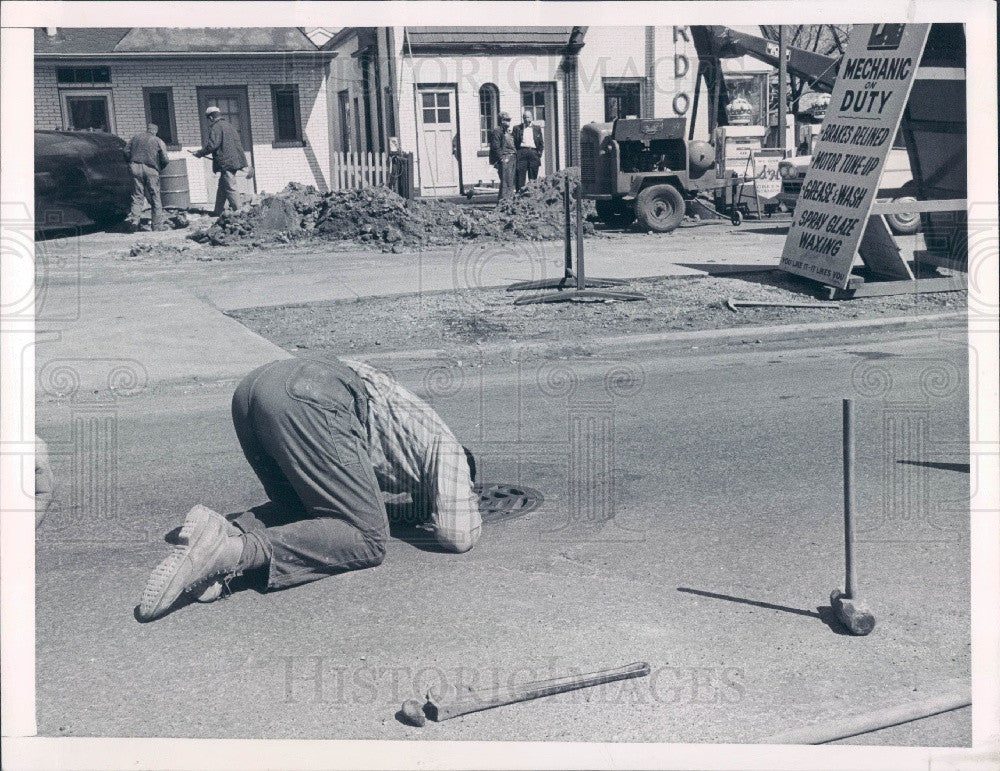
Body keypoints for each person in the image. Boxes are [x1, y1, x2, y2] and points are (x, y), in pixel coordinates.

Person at [138, 356, 482, 622]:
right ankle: (230, 553)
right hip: (312, 393)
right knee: (367, 538)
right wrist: (470, 500)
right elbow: (457, 536)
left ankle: (221, 530)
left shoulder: (412, 444)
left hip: (258, 389)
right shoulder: (449, 449)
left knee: (310, 511)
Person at [190, 105, 248, 218]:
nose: (208, 121)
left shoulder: (216, 127)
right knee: (222, 187)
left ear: (211, 117)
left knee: (230, 186)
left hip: (226, 163)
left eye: (208, 119)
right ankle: (217, 211)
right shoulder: (229, 126)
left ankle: (239, 212)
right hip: (234, 161)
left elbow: (212, 145)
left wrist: (199, 153)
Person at [125, 123, 170, 232]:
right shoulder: (157, 140)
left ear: (147, 130)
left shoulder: (135, 138)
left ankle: (135, 221)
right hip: (151, 168)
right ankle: (157, 225)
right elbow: (165, 159)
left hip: (135, 167)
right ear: (155, 131)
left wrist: (130, 162)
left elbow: (126, 151)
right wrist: (159, 168)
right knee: (155, 196)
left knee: (137, 195)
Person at [487, 111, 517, 200]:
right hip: (504, 159)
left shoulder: (506, 132)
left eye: (509, 120)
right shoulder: (497, 131)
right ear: (501, 121)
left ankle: (507, 201)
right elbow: (495, 147)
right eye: (506, 120)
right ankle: (503, 202)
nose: (508, 122)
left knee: (510, 182)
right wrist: (502, 159)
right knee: (505, 182)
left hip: (511, 159)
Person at [513, 110, 544, 190]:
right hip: (521, 153)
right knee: (520, 176)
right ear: (523, 119)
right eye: (524, 117)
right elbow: (514, 142)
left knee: (533, 177)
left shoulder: (537, 128)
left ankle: (532, 195)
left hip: (533, 153)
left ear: (532, 118)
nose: (526, 119)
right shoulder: (517, 128)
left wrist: (538, 154)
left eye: (528, 117)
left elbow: (541, 142)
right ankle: (519, 196)